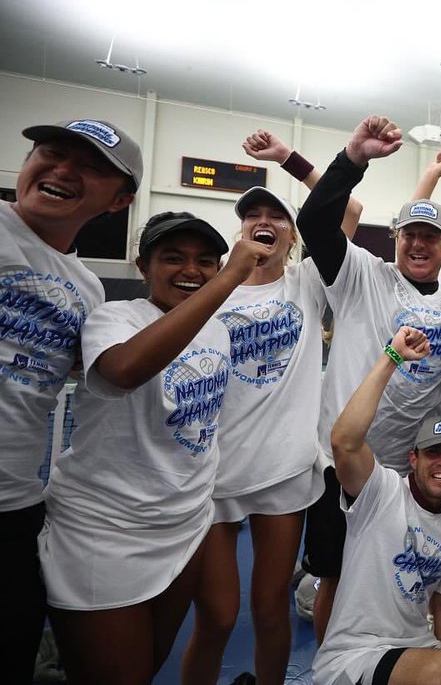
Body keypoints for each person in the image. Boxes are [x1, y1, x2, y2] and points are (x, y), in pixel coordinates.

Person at [40, 212, 270, 681]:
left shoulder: (217, 330)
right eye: (173, 258)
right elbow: (123, 372)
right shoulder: (114, 317)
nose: (191, 270)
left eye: (205, 261)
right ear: (144, 266)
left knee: (146, 667)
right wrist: (228, 279)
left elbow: (202, 423)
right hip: (105, 529)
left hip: (184, 525)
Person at [296, 116, 441, 640]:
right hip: (342, 465)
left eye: (430, 237)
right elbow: (315, 220)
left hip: (409, 472)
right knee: (335, 576)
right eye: (410, 234)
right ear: (396, 238)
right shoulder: (360, 275)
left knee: (405, 577)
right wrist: (353, 159)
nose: (418, 244)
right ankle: (332, 664)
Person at [181, 174, 354, 683]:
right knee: (216, 617)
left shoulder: (307, 281)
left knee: (270, 607)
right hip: (215, 474)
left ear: (293, 234)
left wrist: (287, 159)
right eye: (252, 216)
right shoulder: (214, 290)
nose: (263, 222)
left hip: (284, 470)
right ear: (239, 232)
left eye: (276, 215)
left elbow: (350, 210)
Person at [0, 118, 140, 679]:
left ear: (120, 200)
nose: (62, 169)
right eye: (51, 153)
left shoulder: (89, 288)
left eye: (87, 167)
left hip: (15, 503)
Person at [313, 326, 441, 685]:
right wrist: (392, 358)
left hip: (417, 648)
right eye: (433, 452)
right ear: (414, 458)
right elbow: (344, 441)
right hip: (355, 655)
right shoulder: (380, 491)